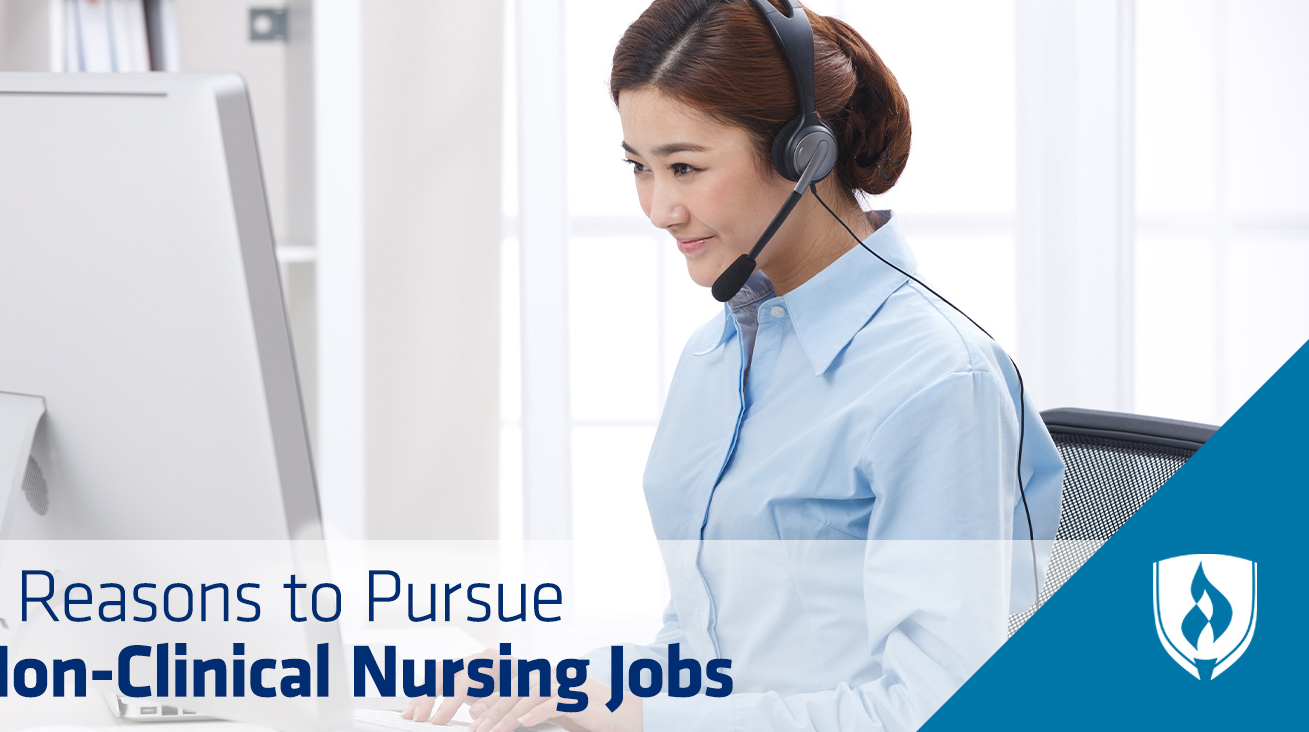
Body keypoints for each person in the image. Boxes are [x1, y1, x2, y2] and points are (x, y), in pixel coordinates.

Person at [405, 1, 1064, 729]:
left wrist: (642, 718)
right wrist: (564, 686)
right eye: (639, 168)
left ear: (803, 156)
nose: (658, 208)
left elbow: (937, 706)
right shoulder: (713, 360)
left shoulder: (938, 382)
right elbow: (705, 645)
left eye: (684, 167)